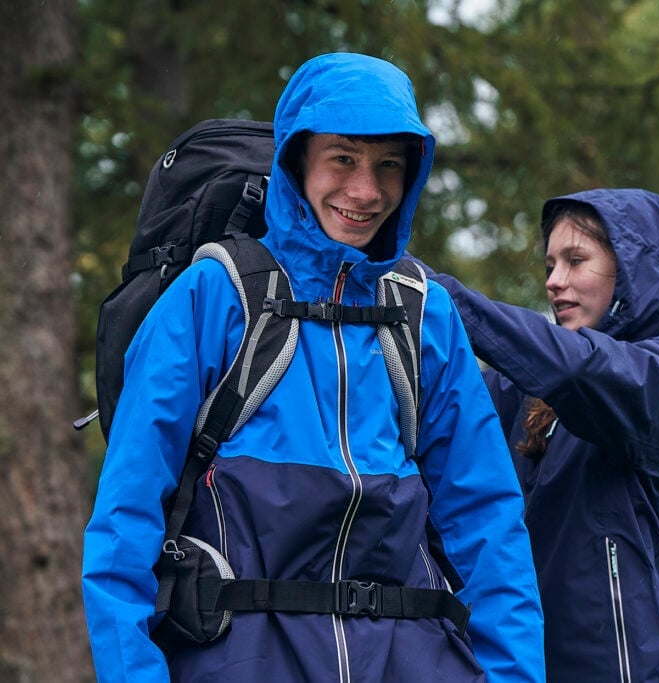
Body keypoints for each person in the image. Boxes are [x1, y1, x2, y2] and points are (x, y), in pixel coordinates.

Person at [82, 52, 545, 683]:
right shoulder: (213, 295)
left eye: (389, 165)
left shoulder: (421, 313)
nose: (366, 191)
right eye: (344, 159)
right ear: (296, 160)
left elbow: (488, 522)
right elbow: (124, 524)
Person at [419, 188, 659, 682]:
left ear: (635, 273)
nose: (554, 281)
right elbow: (434, 406)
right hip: (525, 664)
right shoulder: (525, 393)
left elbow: (578, 371)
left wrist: (435, 296)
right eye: (550, 264)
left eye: (576, 260)